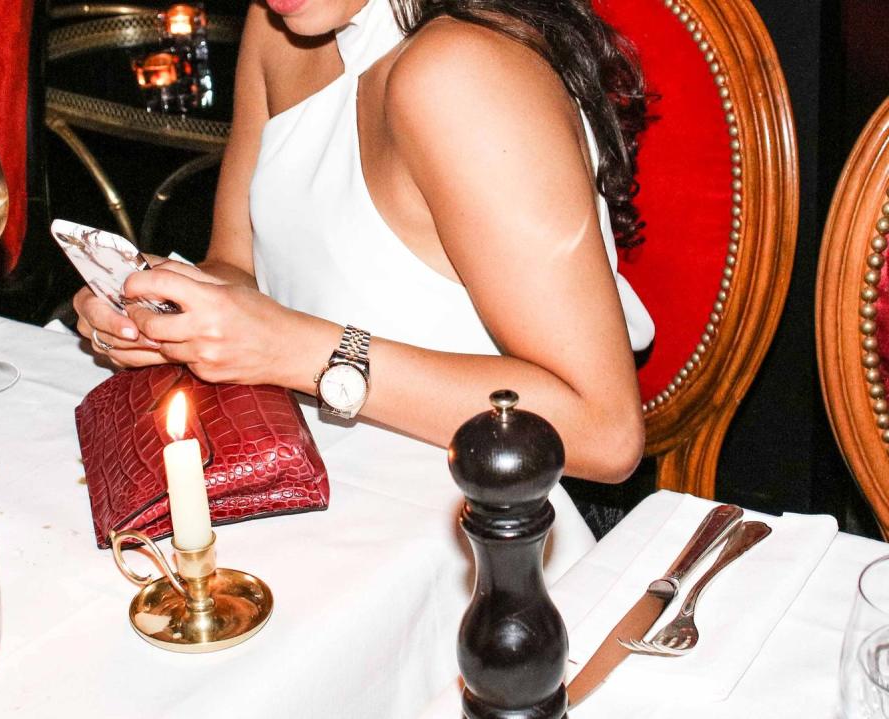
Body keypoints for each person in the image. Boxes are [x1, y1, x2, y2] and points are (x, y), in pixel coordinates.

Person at [74, 0, 655, 571]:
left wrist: (299, 352)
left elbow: (604, 432)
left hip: (494, 536)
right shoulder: (278, 24)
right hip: (312, 487)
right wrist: (168, 306)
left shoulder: (462, 71)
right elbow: (237, 265)